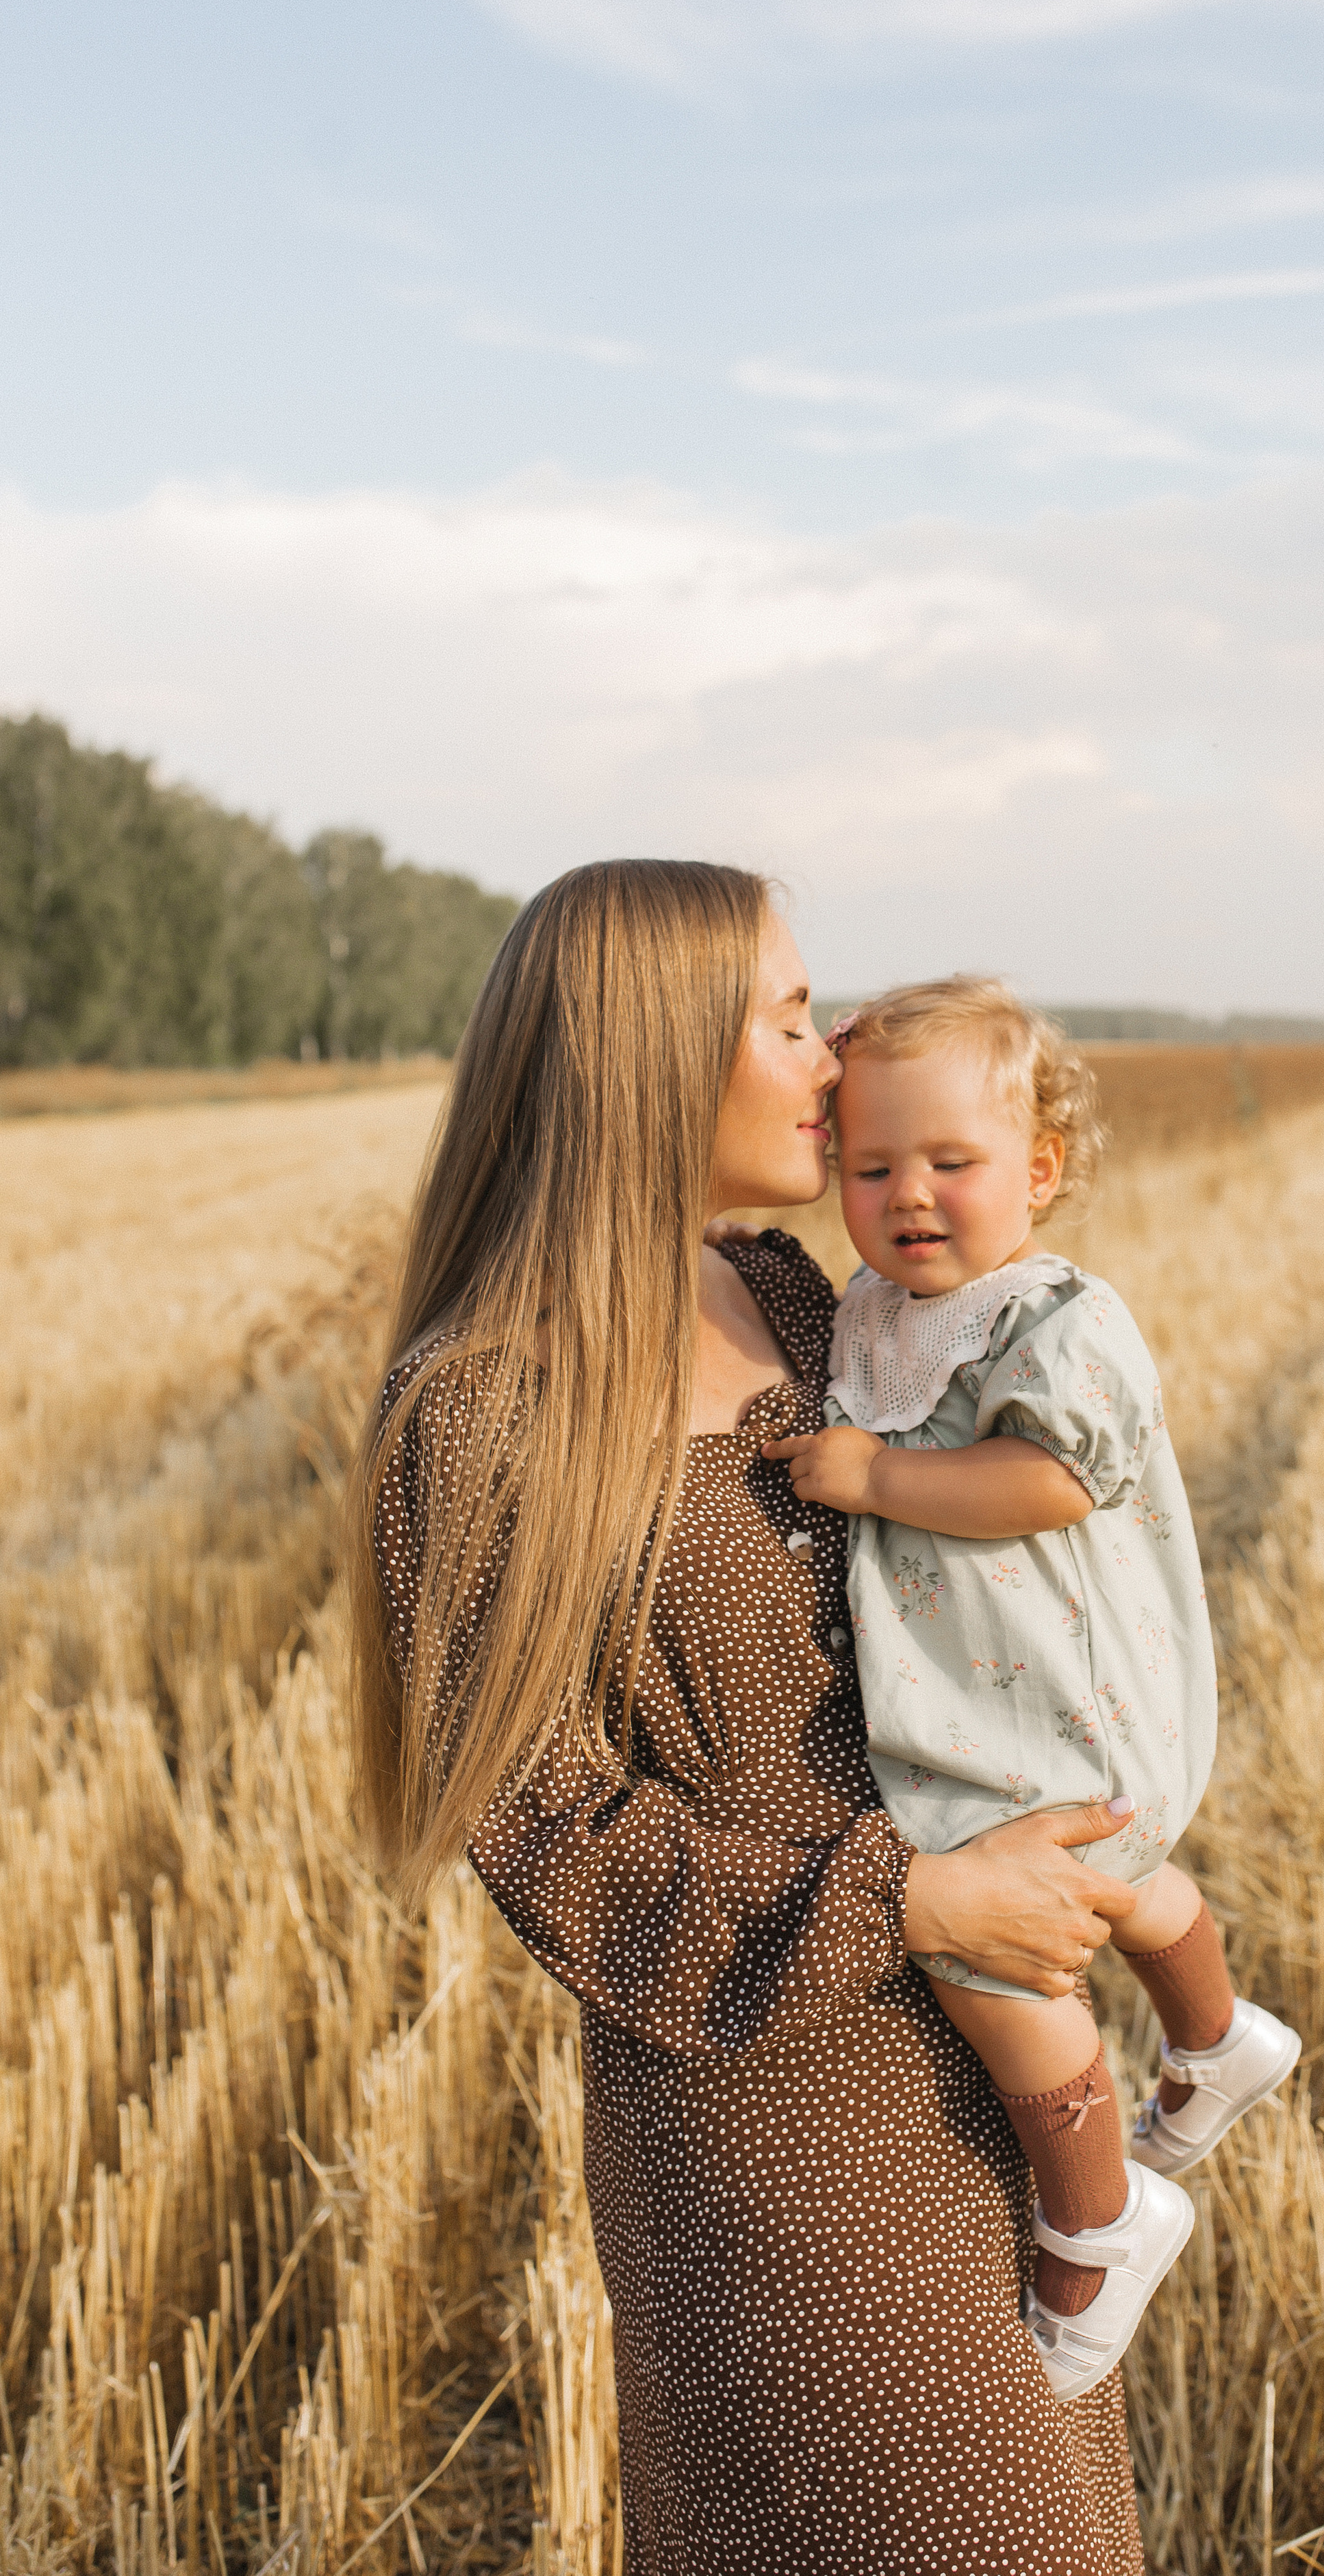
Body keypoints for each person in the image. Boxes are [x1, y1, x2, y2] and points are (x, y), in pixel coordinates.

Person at [348, 863, 1154, 2576]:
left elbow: (1010, 1502)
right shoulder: (485, 1409)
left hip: (980, 2060)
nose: (836, 1048)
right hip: (768, 2133)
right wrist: (920, 1898)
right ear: (651, 1058)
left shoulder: (794, 1299)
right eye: (794, 1019)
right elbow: (549, 1835)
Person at [763, 977, 1300, 2401]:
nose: (909, 1196)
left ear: (1039, 1174)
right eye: (872, 1167)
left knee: (995, 1956)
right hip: (987, 1689)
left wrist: (878, 1477)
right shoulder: (872, 1314)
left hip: (1042, 1691)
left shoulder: (1053, 1319)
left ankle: (1097, 2215)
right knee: (1117, 1874)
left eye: (953, 1164)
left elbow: (1051, 1482)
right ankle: (1216, 2035)